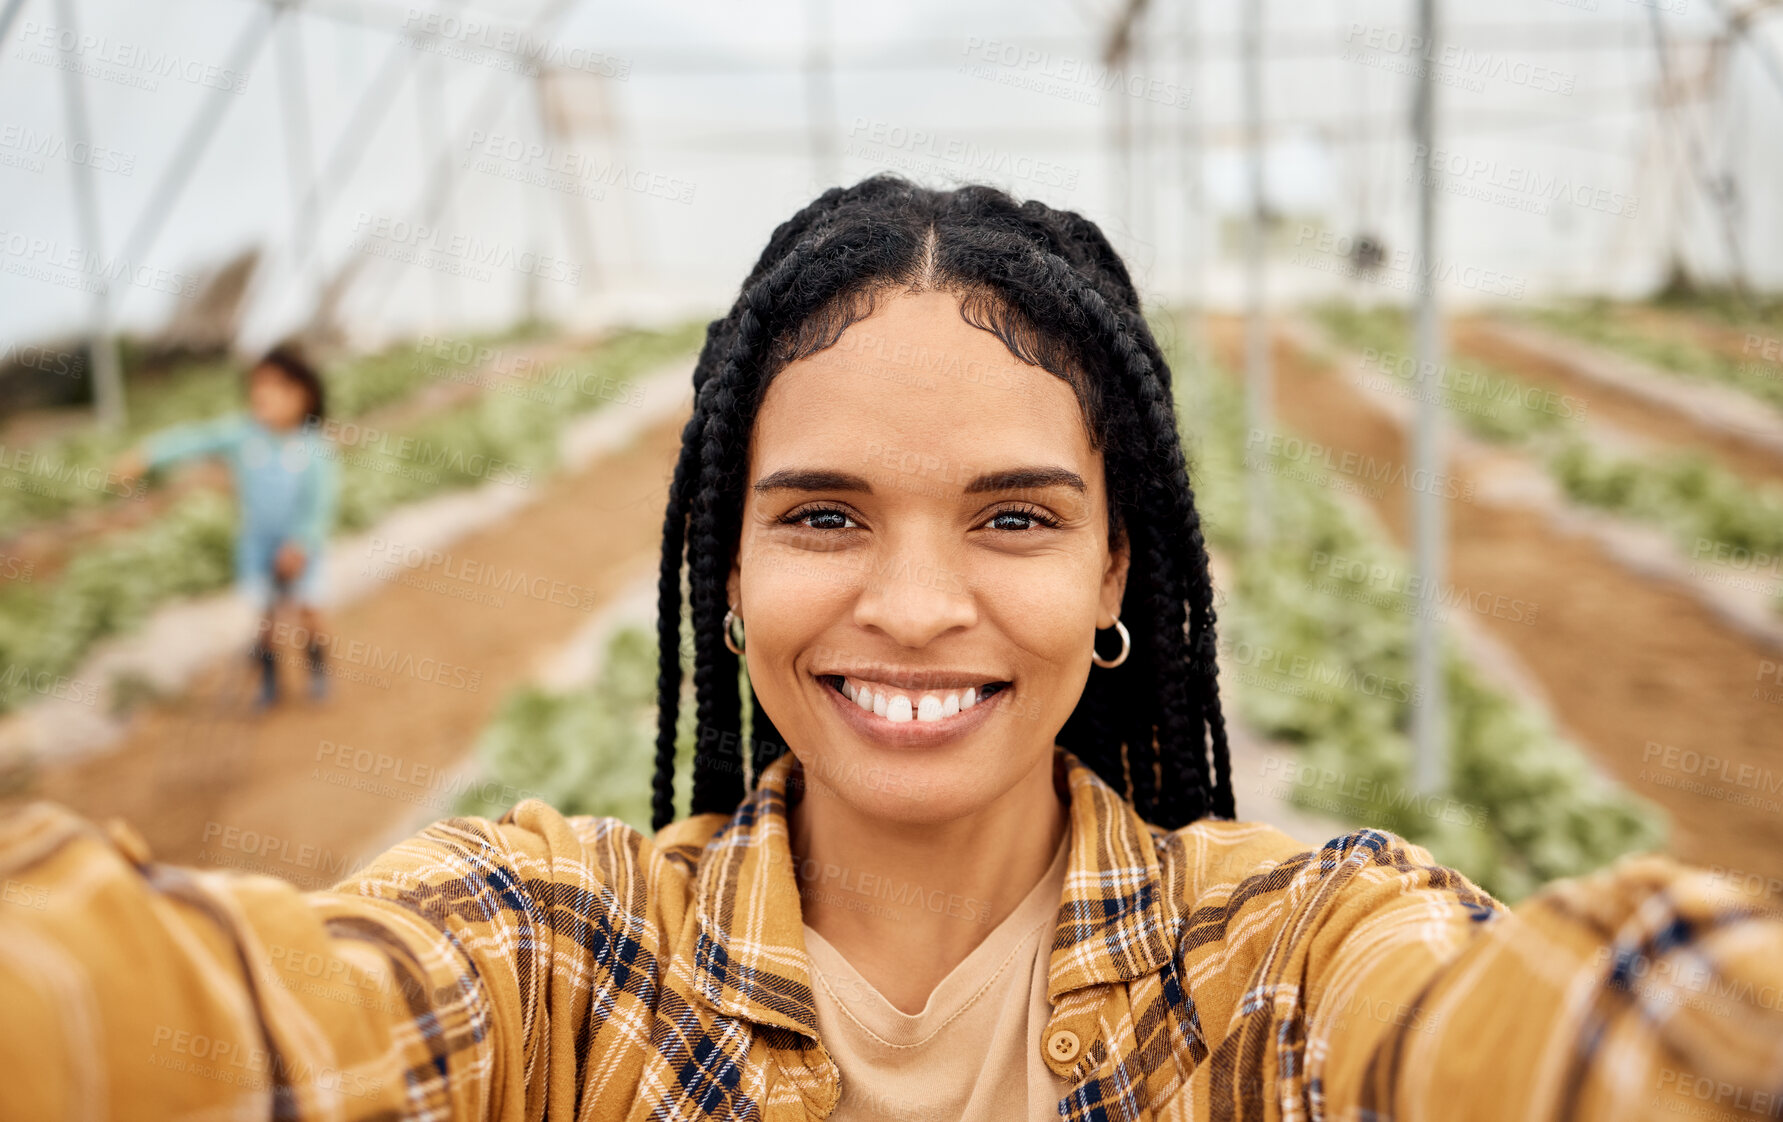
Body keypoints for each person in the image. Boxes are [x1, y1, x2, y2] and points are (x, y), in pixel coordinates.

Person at [5, 177, 1780, 1120]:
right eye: (821, 514)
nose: (913, 606)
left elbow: (1561, 1034)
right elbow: (218, 1018)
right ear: (723, 570)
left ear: (1116, 577)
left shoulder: (1281, 961)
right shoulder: (561, 959)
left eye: (1011, 516)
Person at [114, 344, 339, 709]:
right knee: (266, 617)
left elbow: (318, 504)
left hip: (301, 546)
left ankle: (318, 672)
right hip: (258, 543)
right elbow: (196, 439)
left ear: (302, 395)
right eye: (257, 385)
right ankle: (270, 683)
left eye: (275, 386)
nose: (261, 393)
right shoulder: (243, 435)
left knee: (308, 609)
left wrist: (301, 543)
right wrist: (147, 455)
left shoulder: (313, 448)